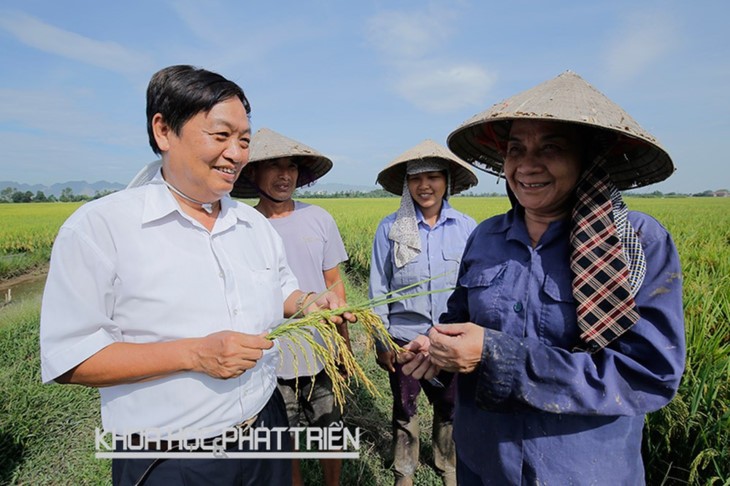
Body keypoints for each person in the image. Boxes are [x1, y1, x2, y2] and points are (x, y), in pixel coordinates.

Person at [39, 65, 353, 486]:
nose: (237, 153)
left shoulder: (253, 225)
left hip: (266, 428)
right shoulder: (101, 228)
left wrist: (308, 301)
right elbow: (70, 358)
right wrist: (194, 355)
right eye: (221, 136)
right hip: (171, 455)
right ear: (164, 131)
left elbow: (282, 289)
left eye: (243, 140)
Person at [400, 71, 686, 484]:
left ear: (587, 159)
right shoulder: (485, 237)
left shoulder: (635, 242)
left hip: (582, 470)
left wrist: (498, 355)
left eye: (550, 148)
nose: (527, 165)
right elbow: (457, 320)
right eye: (516, 149)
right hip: (484, 462)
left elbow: (648, 373)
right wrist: (435, 346)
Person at [232, 127, 350, 486]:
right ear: (252, 174)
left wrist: (344, 347)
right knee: (285, 441)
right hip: (272, 356)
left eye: (291, 167)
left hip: (321, 353)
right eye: (274, 166)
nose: (285, 175)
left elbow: (335, 287)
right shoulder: (242, 227)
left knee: (330, 432)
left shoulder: (319, 218)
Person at [369, 140, 478, 486]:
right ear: (406, 185)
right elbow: (378, 287)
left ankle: (447, 464)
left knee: (450, 407)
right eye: (416, 178)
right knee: (405, 408)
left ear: (447, 180)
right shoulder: (390, 229)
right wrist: (381, 340)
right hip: (404, 339)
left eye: (433, 176)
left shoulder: (466, 227)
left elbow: (474, 287)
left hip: (450, 338)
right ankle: (405, 469)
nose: (424, 185)